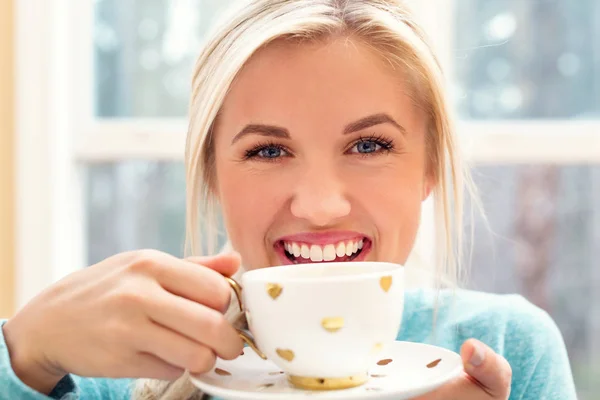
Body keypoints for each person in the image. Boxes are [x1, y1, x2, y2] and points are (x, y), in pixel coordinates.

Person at [1, 0, 577, 399]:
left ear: (429, 170)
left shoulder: (509, 351)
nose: (321, 206)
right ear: (210, 177)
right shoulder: (120, 370)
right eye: (268, 152)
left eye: (369, 144)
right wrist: (22, 357)